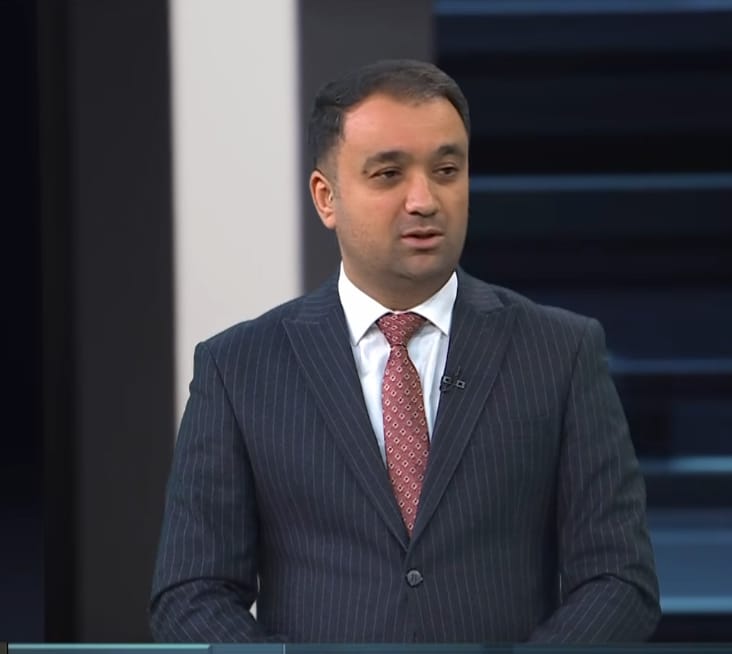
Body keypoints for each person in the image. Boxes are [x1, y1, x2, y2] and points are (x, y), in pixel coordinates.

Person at [150, 58, 660, 643]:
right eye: (389, 174)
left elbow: (620, 579)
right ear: (326, 197)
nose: (424, 199)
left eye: (447, 170)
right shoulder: (240, 367)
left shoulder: (560, 353)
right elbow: (191, 592)